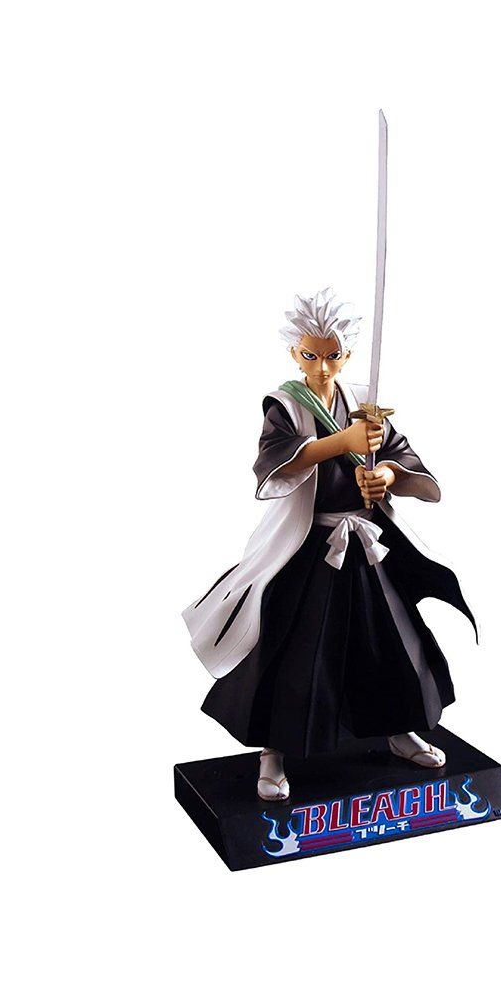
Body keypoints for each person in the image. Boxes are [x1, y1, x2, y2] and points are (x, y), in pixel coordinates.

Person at [183, 288, 475, 801]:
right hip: (308, 547)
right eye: (311, 355)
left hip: (364, 544)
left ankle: (397, 727)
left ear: (347, 354)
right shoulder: (286, 405)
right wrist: (341, 442)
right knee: (288, 649)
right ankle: (272, 750)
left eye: (333, 355)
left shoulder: (364, 402)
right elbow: (274, 462)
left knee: (388, 640)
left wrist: (385, 474)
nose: (322, 367)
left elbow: (403, 455)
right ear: (294, 353)